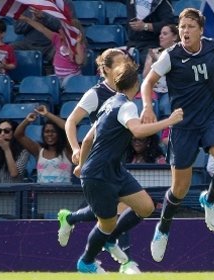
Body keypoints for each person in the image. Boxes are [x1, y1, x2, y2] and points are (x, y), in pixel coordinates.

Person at [140, 8, 214, 262]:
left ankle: (210, 201)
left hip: (211, 117)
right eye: (182, 27)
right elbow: (147, 82)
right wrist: (148, 106)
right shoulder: (171, 55)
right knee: (179, 190)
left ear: (201, 30)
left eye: (190, 26)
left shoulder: (213, 46)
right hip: (183, 125)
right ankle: (163, 228)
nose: (185, 31)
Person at [74, 62, 183, 273]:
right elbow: (138, 131)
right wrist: (169, 120)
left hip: (113, 169)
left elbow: (87, 140)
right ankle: (86, 262)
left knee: (145, 207)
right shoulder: (127, 106)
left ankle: (109, 240)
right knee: (106, 224)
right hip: (99, 173)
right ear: (137, 84)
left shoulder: (109, 103)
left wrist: (80, 165)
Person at [61, 48, 141, 274]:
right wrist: (77, 150)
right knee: (116, 211)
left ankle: (71, 219)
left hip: (116, 158)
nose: (125, 65)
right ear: (106, 69)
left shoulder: (127, 92)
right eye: (120, 62)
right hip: (98, 162)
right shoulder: (96, 94)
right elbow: (71, 122)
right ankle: (126, 261)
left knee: (111, 213)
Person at [18, 14, 86, 88]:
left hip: (72, 78)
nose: (59, 30)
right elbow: (42, 29)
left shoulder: (78, 45)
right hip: (58, 76)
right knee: (46, 83)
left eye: (63, 30)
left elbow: (79, 61)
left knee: (66, 84)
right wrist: (27, 19)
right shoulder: (57, 39)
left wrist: (78, 43)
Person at [14, 105, 72, 183]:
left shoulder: (67, 150)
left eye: (53, 131)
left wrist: (47, 114)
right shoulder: (38, 150)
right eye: (46, 131)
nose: (49, 134)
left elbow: (68, 128)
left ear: (60, 134)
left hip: (63, 194)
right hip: (41, 194)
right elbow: (18, 135)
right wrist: (27, 120)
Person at [142, 24, 179, 119]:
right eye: (160, 33)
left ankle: (166, 132)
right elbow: (145, 76)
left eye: (165, 34)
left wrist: (160, 63)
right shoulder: (153, 52)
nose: (160, 36)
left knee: (165, 105)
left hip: (172, 91)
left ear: (174, 37)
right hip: (154, 90)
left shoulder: (179, 52)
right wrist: (154, 62)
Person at [125, 0, 175, 67]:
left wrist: (146, 26)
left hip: (151, 44)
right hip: (132, 44)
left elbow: (169, 24)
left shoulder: (161, 2)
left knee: (150, 61)